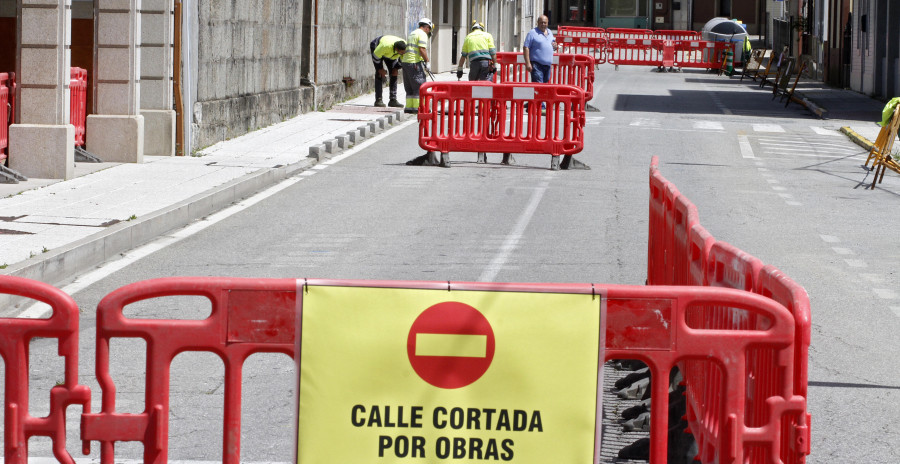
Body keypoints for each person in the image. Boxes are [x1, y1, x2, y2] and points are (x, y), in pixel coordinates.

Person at [457, 21, 510, 164]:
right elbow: (493, 52)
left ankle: (472, 105)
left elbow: (463, 55)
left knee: (473, 86)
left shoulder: (468, 37)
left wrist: (460, 68)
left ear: (473, 28)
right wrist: (496, 65)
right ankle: (485, 105)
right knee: (487, 85)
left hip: (474, 64)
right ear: (481, 28)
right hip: (486, 63)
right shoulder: (487, 35)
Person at [401, 18, 434, 114]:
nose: (429, 32)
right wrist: (427, 62)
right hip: (414, 63)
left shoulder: (413, 33)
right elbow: (422, 49)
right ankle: (420, 108)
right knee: (419, 85)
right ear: (427, 28)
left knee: (409, 86)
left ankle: (409, 107)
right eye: (429, 30)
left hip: (406, 62)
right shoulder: (422, 34)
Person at [370, 35, 406, 108]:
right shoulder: (385, 46)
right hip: (377, 48)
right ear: (397, 49)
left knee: (394, 73)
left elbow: (403, 61)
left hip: (391, 54)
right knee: (379, 73)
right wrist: (380, 68)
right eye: (401, 53)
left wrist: (396, 68)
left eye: (403, 53)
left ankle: (393, 100)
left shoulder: (405, 49)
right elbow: (375, 57)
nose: (402, 54)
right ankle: (378, 100)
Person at [523, 15, 557, 85]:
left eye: (545, 22)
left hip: (547, 65)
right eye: (541, 22)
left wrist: (555, 46)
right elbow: (526, 47)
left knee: (544, 85)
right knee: (539, 86)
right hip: (537, 65)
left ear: (547, 23)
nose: (543, 24)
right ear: (537, 23)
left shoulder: (550, 32)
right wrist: (528, 63)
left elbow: (553, 44)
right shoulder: (532, 33)